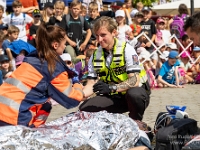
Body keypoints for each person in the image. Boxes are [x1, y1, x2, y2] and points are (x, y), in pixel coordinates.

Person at [0, 23, 84, 127]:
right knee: (45, 105)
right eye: (64, 43)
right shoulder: (53, 68)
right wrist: (78, 84)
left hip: (3, 108)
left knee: (46, 104)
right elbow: (73, 100)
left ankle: (34, 129)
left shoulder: (31, 60)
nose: (65, 46)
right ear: (55, 45)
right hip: (13, 114)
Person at [79, 16, 150, 121]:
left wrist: (111, 88)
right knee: (84, 108)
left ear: (114, 33)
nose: (99, 40)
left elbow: (135, 81)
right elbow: (91, 84)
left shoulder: (127, 49)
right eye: (97, 36)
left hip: (135, 95)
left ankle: (136, 121)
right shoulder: (94, 56)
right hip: (115, 97)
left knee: (134, 94)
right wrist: (78, 95)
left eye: (103, 35)